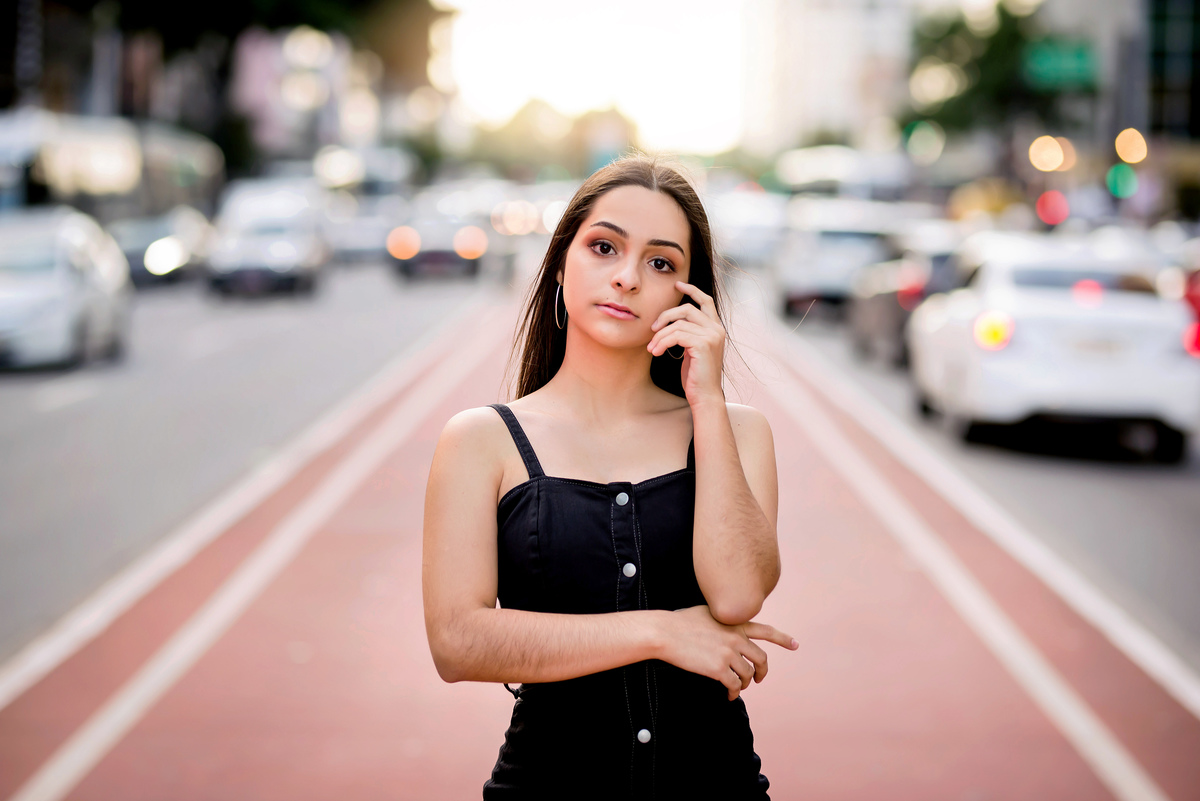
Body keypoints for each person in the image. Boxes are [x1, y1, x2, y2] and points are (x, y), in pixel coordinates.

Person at [422, 155, 796, 800]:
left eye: (661, 263)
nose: (626, 277)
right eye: (604, 247)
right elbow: (458, 642)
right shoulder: (482, 441)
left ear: (689, 295)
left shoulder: (740, 433)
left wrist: (706, 401)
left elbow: (736, 597)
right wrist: (661, 631)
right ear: (562, 262)